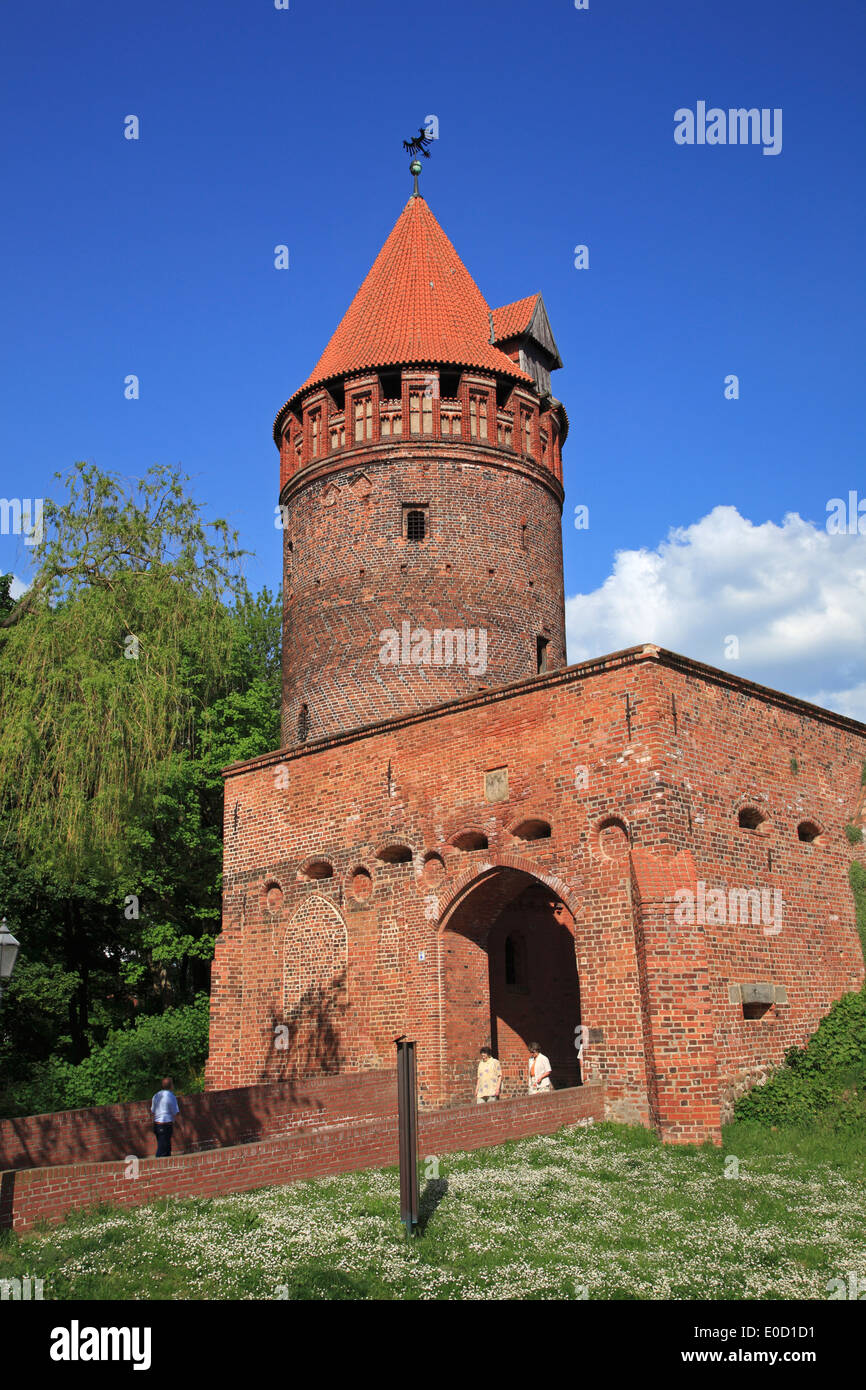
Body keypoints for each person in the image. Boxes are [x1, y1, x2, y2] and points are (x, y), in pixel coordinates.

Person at [150, 1077, 180, 1156]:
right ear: (171, 1086)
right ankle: (157, 1165)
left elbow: (152, 1111)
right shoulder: (171, 1096)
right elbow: (175, 1112)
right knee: (163, 1149)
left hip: (157, 1124)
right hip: (166, 1124)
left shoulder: (156, 1095)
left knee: (165, 1147)